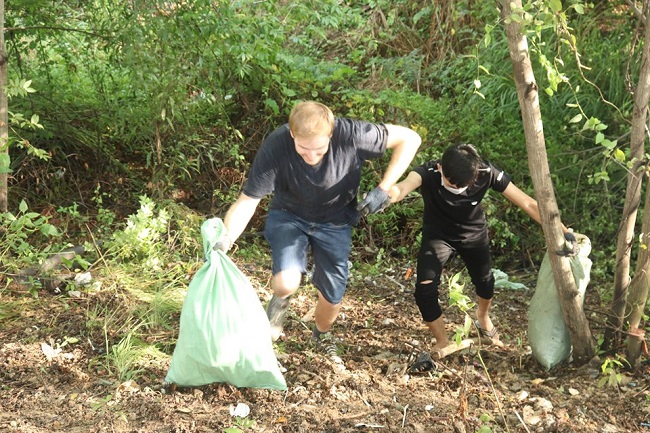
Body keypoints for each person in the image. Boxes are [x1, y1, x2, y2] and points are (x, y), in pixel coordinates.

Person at [216, 100, 421, 361]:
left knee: (333, 294)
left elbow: (410, 139)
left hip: (335, 221)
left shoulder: (351, 134)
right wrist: (225, 240)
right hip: (289, 216)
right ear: (292, 134)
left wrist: (383, 188)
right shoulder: (277, 145)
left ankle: (321, 335)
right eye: (303, 148)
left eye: (319, 149)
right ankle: (279, 303)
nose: (311, 156)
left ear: (331, 133)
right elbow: (248, 200)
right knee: (286, 282)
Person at [388, 143, 575, 357]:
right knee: (424, 289)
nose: (457, 189)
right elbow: (402, 188)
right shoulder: (427, 173)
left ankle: (483, 317)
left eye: (463, 186)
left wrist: (563, 231)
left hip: (473, 233)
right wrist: (384, 196)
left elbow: (528, 203)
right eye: (452, 184)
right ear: (440, 168)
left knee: (485, 283)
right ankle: (442, 341)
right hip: (438, 235)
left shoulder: (486, 173)